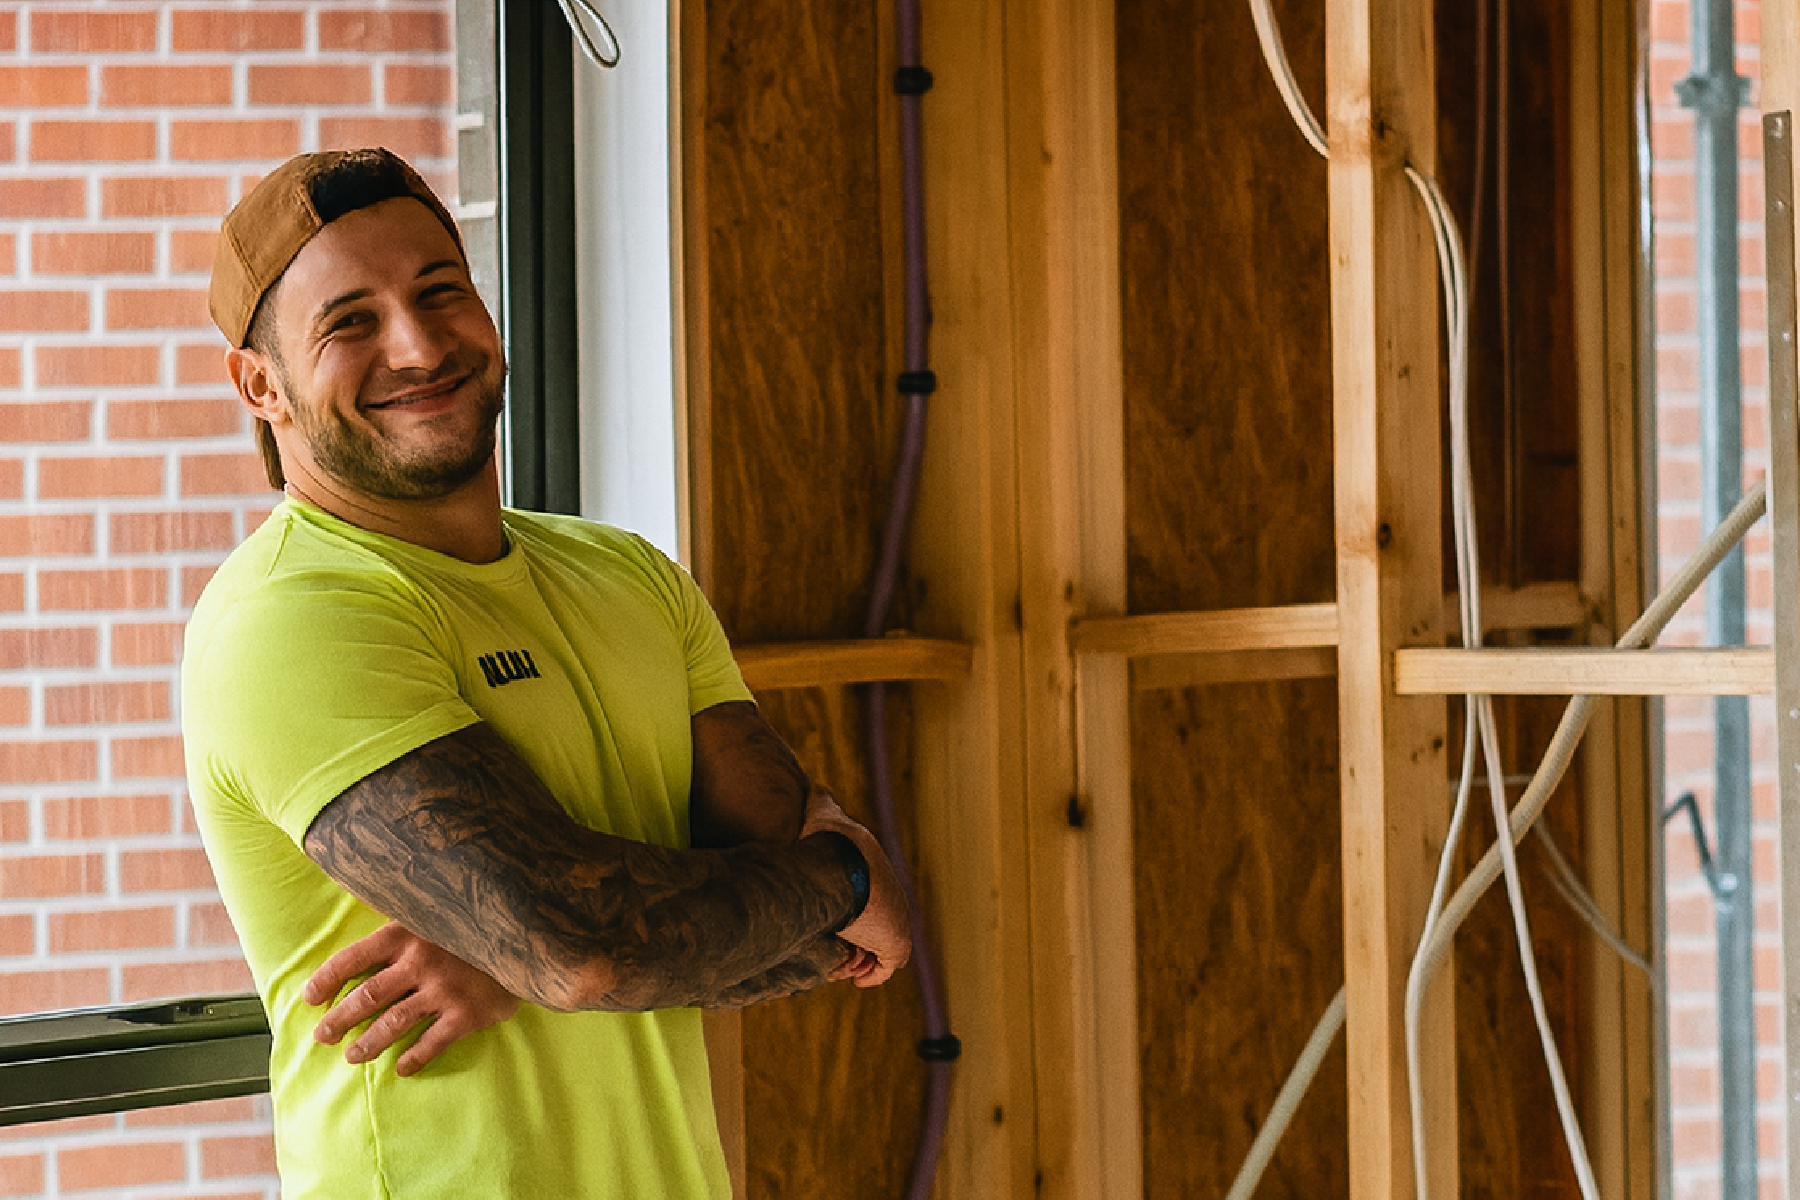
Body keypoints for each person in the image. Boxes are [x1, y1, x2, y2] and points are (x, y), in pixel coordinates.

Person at [181, 147, 911, 1199]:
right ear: (261, 385)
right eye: (350, 321)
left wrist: (538, 947)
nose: (419, 342)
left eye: (443, 292)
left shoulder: (627, 577)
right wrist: (848, 873)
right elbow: (587, 947)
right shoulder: (289, 618)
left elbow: (806, 940)